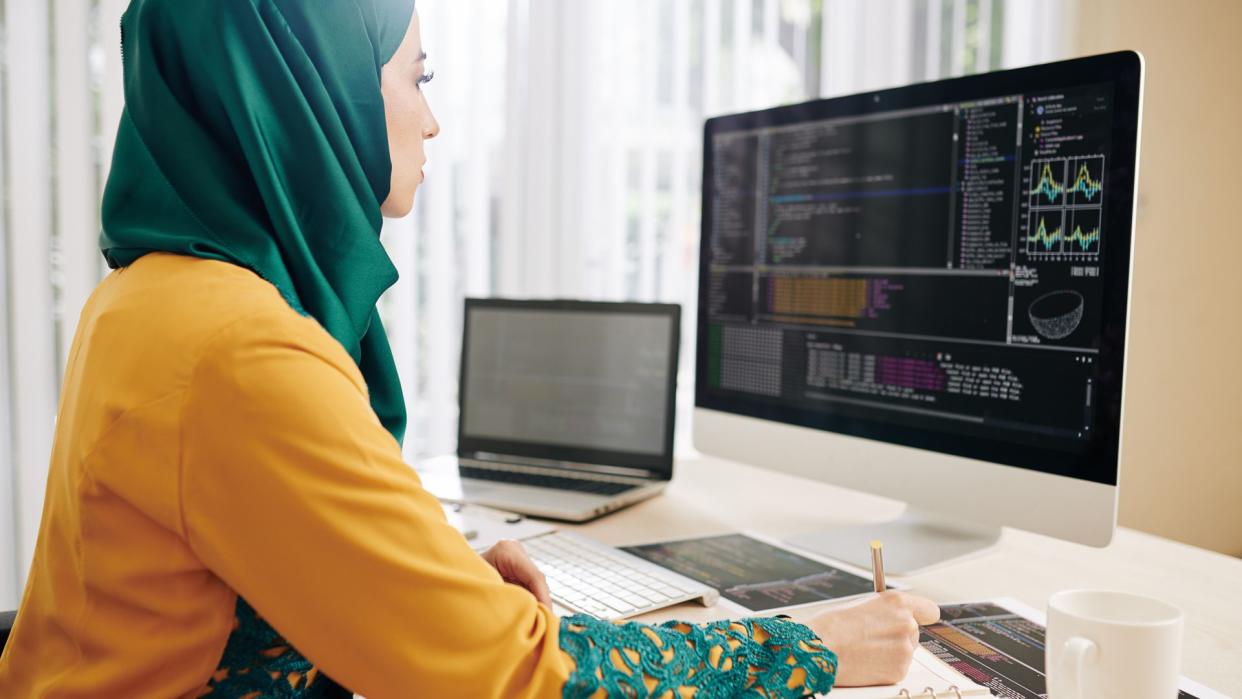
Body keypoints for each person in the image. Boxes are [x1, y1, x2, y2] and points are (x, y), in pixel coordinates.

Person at [0, 0, 940, 696]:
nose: (432, 119)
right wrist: (815, 650)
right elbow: (510, 678)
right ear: (310, 89)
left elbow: (220, 565)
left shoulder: (151, 293)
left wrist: (422, 573)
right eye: (417, 77)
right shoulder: (239, 348)